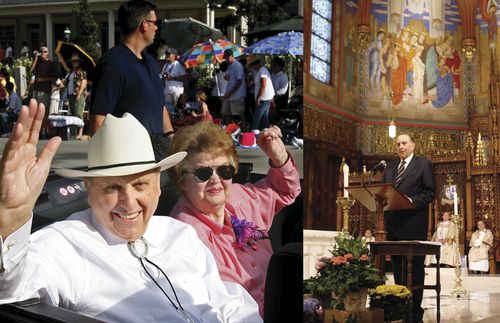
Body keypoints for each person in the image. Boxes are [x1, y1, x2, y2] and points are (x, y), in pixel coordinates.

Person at [0, 100, 262, 322]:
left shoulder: (180, 234)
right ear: (90, 190)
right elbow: (13, 288)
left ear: (158, 187)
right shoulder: (68, 244)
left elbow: (225, 301)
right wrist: (12, 219)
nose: (129, 202)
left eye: (140, 185)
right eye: (113, 187)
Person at [168, 121, 301, 316]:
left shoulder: (238, 198)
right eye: (203, 173)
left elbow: (285, 190)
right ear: (182, 181)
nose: (215, 179)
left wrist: (278, 156)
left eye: (224, 171)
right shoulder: (184, 234)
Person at [90, 0, 174, 161]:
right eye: (155, 23)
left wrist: (171, 137)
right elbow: (99, 118)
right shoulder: (112, 64)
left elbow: (159, 105)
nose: (157, 27)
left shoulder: (151, 62)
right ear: (144, 24)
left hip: (159, 152)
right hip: (128, 156)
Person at [381, 133, 436, 323]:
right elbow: (382, 193)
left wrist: (411, 200)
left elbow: (430, 193)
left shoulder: (423, 164)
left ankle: (414, 311)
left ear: (413, 145)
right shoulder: (390, 168)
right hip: (393, 226)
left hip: (414, 225)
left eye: (404, 143)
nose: (401, 147)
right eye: (398, 144)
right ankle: (399, 307)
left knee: (415, 268)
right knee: (397, 268)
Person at [30, 46, 59, 136]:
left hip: (45, 91)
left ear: (48, 53)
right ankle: (37, 131)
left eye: (44, 52)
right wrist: (35, 59)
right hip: (36, 90)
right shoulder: (38, 62)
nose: (42, 53)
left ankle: (44, 130)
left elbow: (55, 78)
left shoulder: (51, 64)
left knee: (44, 111)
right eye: (41, 51)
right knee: (35, 110)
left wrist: (43, 79)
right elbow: (31, 70)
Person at [60, 53, 88, 139]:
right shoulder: (71, 72)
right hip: (71, 95)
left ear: (79, 62)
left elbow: (84, 82)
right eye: (73, 61)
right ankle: (74, 132)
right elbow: (66, 82)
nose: (74, 63)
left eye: (76, 61)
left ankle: (80, 132)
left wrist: (79, 93)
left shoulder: (81, 71)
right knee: (73, 114)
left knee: (79, 113)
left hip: (78, 94)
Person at [247, 57, 275, 131]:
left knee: (257, 116)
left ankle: (254, 131)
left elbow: (263, 86)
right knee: (264, 116)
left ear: (255, 65)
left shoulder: (263, 72)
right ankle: (265, 131)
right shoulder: (260, 71)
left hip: (264, 97)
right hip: (265, 97)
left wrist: (258, 98)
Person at [222, 49, 247, 129]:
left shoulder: (238, 66)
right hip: (229, 94)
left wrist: (230, 93)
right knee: (226, 113)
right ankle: (228, 130)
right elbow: (232, 78)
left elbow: (239, 82)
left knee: (240, 113)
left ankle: (245, 130)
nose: (226, 59)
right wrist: (227, 77)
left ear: (232, 56)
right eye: (225, 57)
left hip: (237, 95)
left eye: (227, 57)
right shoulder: (229, 65)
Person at [161, 47, 186, 114]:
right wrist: (162, 76)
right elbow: (163, 76)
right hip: (167, 91)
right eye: (166, 53)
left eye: (169, 54)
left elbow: (184, 78)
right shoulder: (165, 65)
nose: (167, 55)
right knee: (170, 112)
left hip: (177, 91)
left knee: (177, 111)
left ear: (174, 55)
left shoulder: (178, 65)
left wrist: (173, 78)